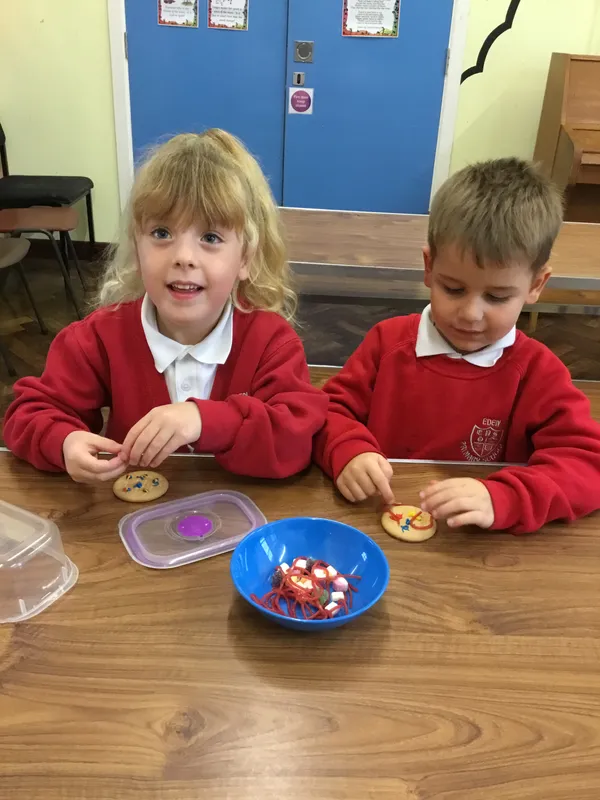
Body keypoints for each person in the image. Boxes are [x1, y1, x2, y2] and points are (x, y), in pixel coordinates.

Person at [4, 130, 328, 483]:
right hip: (130, 514)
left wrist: (204, 420)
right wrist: (64, 441)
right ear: (137, 247)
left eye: (210, 238)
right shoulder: (98, 338)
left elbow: (295, 442)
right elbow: (29, 414)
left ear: (245, 259)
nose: (183, 257)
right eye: (162, 233)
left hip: (240, 510)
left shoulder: (271, 343)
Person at [313, 157, 600, 534]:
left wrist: (504, 498)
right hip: (374, 525)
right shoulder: (387, 343)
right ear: (429, 267)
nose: (470, 314)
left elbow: (586, 466)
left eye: (497, 297)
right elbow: (326, 412)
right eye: (453, 289)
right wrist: (348, 449)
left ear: (536, 286)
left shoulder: (537, 373)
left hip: (475, 548)